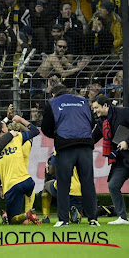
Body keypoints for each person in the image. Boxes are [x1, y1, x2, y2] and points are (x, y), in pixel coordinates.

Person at [41, 84, 99, 227]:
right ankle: (93, 219)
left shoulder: (52, 103)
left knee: (63, 183)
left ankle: (63, 220)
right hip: (85, 145)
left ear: (53, 94)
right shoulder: (83, 101)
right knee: (87, 183)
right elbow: (91, 122)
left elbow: (45, 128)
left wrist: (57, 135)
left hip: (65, 146)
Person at [0, 116, 42, 225]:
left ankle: (25, 216)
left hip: (12, 185)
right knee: (29, 194)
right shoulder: (17, 138)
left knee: (12, 220)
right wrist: (21, 120)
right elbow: (35, 131)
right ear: (4, 130)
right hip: (28, 181)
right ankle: (29, 213)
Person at [91, 95, 129, 225]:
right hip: (121, 160)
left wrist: (127, 142)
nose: (94, 111)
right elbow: (93, 139)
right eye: (93, 108)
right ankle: (122, 218)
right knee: (113, 185)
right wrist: (77, 145)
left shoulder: (124, 112)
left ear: (105, 106)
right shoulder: (101, 122)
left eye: (96, 107)